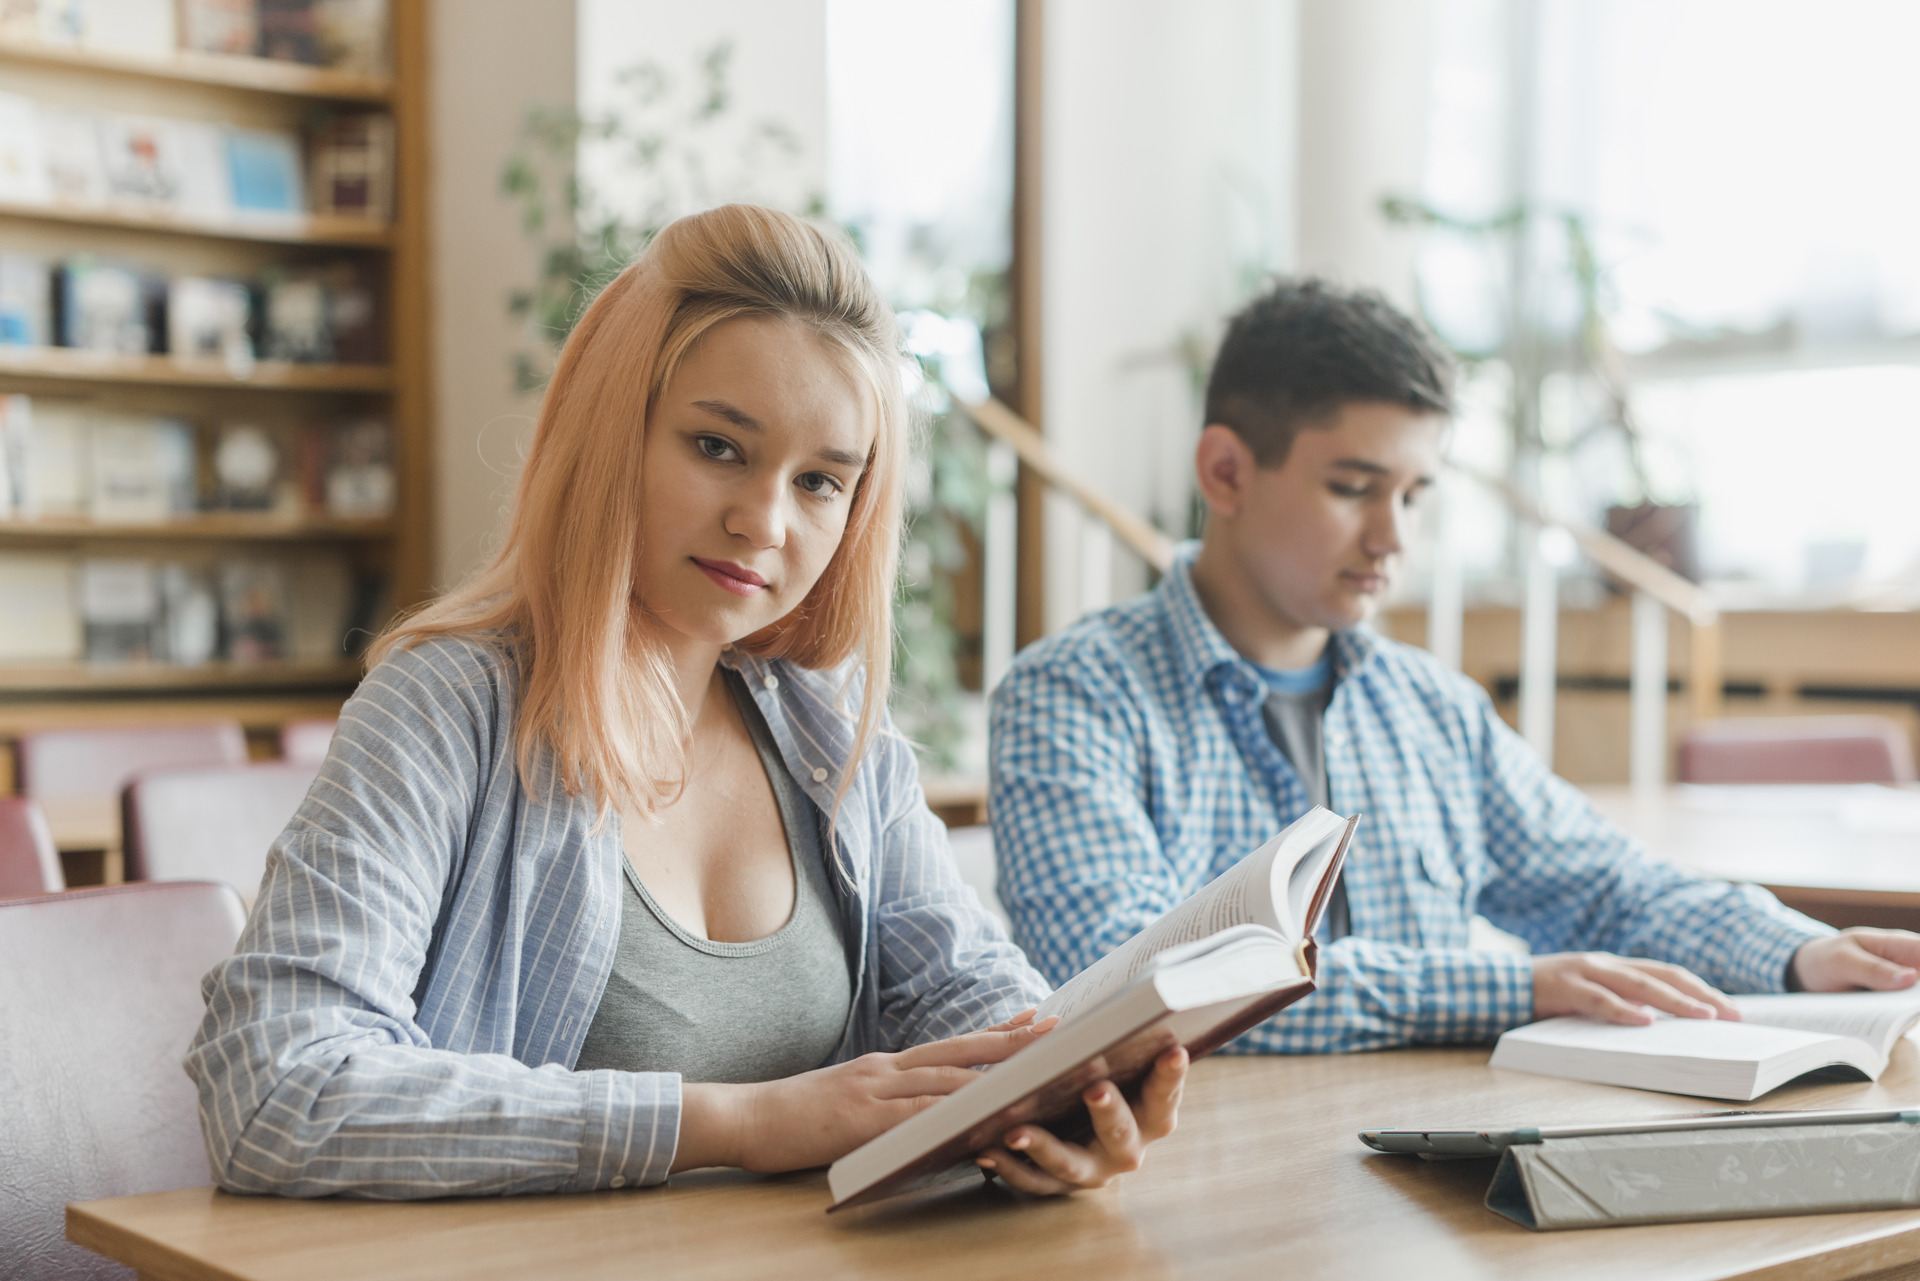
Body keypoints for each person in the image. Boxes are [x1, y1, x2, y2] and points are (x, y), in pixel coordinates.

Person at [187, 205, 1185, 1199]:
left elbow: (964, 990)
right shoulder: (448, 706)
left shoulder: (830, 731)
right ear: (614, 433)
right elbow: (280, 1088)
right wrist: (733, 1123)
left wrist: (1060, 1097)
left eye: (821, 482)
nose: (763, 522)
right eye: (717, 447)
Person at [989, 277, 1920, 1056]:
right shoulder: (1072, 696)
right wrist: (1510, 985)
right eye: (1353, 488)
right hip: (1198, 1190)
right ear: (1226, 473)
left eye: (1416, 494)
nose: (1393, 537)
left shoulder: (1430, 706)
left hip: (1423, 1175)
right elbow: (1133, 987)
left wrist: (1802, 955)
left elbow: (1606, 885)